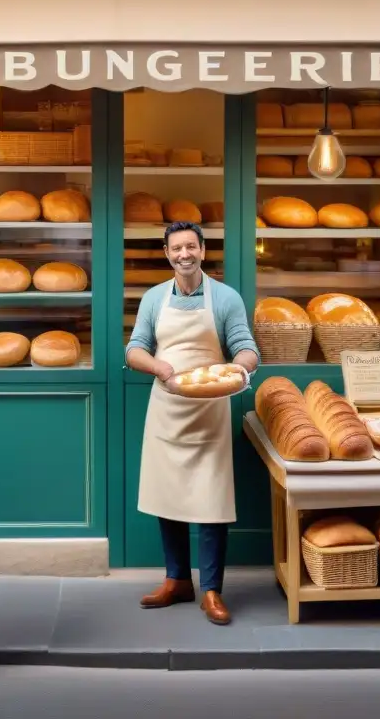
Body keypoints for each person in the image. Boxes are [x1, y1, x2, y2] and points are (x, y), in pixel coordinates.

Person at [125, 221, 260, 625]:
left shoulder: (225, 298)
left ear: (202, 250)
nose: (183, 254)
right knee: (168, 499)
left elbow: (246, 348)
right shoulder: (153, 299)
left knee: (211, 502)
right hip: (166, 410)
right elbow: (134, 350)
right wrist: (158, 367)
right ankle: (176, 580)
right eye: (175, 248)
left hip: (210, 409)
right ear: (167, 254)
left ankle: (212, 590)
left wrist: (236, 371)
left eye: (190, 247)